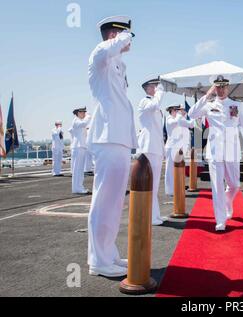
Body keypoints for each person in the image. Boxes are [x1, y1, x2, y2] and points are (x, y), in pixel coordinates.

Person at [87, 15, 137, 277]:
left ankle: (109, 254)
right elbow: (107, 49)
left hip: (119, 137)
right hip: (106, 136)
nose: (130, 42)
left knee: (115, 201)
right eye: (126, 36)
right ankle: (98, 261)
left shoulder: (118, 65)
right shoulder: (101, 56)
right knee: (104, 199)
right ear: (113, 35)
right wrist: (122, 37)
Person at [188, 75, 243, 231]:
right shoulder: (208, 105)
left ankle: (228, 201)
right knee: (217, 187)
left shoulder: (236, 105)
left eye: (223, 87)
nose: (221, 90)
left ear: (227, 88)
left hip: (232, 150)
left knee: (235, 185)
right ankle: (220, 220)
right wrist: (206, 96)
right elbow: (192, 114)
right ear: (214, 88)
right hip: (215, 151)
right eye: (218, 87)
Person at [136, 77, 168, 226]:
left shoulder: (154, 104)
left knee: (154, 185)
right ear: (148, 88)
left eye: (157, 86)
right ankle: (149, 216)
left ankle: (154, 215)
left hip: (155, 146)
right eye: (154, 86)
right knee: (150, 184)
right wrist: (160, 92)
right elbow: (154, 104)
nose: (157, 88)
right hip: (148, 146)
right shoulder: (145, 101)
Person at [164, 104, 195, 197]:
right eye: (177, 110)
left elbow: (191, 125)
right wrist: (181, 114)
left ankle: (177, 188)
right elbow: (178, 121)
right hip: (171, 147)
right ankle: (170, 190)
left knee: (178, 169)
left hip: (178, 148)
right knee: (169, 170)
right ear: (172, 110)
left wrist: (194, 117)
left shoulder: (179, 118)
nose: (179, 111)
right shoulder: (169, 119)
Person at [69, 107, 91, 194]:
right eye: (83, 112)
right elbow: (84, 123)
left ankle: (79, 187)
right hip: (78, 147)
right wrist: (88, 116)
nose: (84, 114)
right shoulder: (76, 120)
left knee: (80, 169)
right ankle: (77, 188)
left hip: (81, 147)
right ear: (78, 113)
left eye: (85, 112)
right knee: (77, 169)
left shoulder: (80, 121)